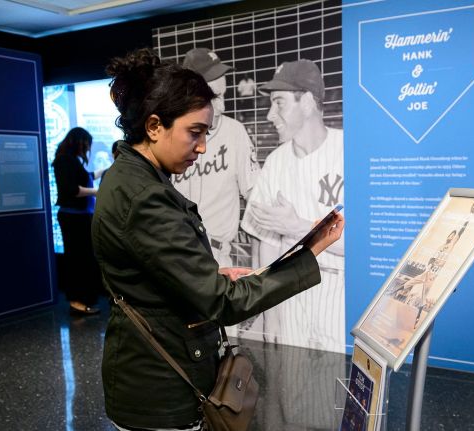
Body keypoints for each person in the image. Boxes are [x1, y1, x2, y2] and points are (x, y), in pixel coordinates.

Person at [93, 48, 344, 431]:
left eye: (206, 133)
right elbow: (222, 304)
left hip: (154, 374)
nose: (203, 147)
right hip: (159, 388)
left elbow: (152, 271)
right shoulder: (145, 196)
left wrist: (208, 273)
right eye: (194, 133)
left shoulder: (132, 176)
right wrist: (308, 253)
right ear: (155, 126)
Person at [240, 59, 346, 353]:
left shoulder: (347, 151)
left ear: (308, 101)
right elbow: (267, 245)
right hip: (290, 304)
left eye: (279, 103)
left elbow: (363, 244)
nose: (270, 114)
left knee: (336, 393)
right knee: (293, 394)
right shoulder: (275, 162)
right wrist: (269, 315)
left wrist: (299, 227)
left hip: (339, 301)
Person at [176, 47, 259, 268]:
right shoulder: (168, 137)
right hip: (174, 257)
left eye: (224, 94)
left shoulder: (235, 132)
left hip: (217, 258)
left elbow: (256, 196)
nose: (222, 106)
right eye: (215, 97)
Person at [52, 127, 105, 315]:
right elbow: (71, 189)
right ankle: (77, 301)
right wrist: (97, 192)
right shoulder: (64, 161)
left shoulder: (70, 160)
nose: (87, 150)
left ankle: (83, 299)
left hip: (79, 216)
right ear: (80, 142)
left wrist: (106, 171)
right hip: (73, 217)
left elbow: (86, 177)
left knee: (83, 259)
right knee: (77, 260)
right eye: (87, 145)